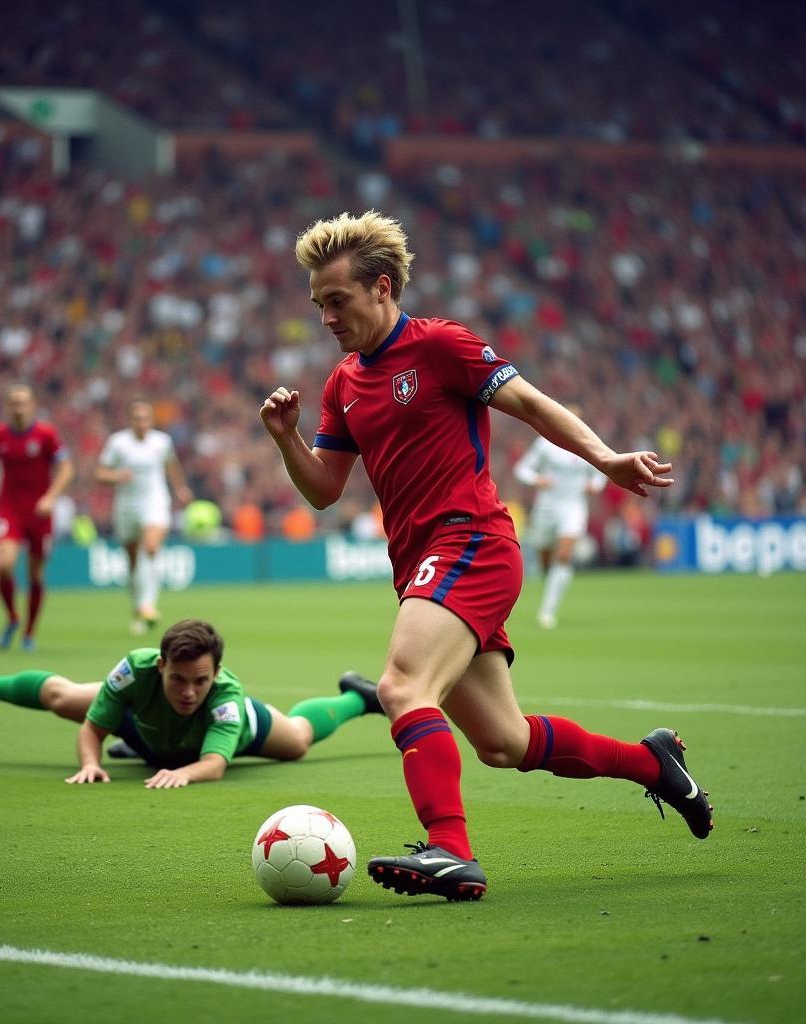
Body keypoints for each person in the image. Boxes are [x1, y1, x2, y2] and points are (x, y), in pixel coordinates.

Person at [260, 210, 713, 903]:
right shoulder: (343, 383)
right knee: (505, 742)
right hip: (420, 563)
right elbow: (323, 490)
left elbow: (530, 404)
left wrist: (604, 459)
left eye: (336, 299)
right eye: (318, 303)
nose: (325, 316)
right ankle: (655, 765)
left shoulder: (441, 345)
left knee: (402, 688)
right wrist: (287, 438)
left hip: (470, 540)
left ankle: (451, 850)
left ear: (382, 288)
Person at [0, 617, 384, 787]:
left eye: (199, 681)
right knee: (62, 696)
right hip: (142, 722)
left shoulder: (225, 698)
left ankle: (357, 697)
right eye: (177, 679)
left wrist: (185, 773)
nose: (188, 692)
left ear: (215, 674)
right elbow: (92, 728)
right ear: (161, 666)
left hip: (221, 738)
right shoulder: (135, 670)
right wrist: (90, 763)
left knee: (297, 741)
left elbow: (215, 765)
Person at [0, 382, 73, 651]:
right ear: (7, 406)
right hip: (10, 509)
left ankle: (29, 632)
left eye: (23, 401)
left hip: (40, 512)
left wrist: (51, 497)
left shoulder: (46, 434)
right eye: (14, 402)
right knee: (4, 564)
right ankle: (12, 617)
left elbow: (67, 469)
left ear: (32, 405)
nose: (18, 407)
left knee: (36, 575)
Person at [94, 400, 194, 634]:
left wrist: (180, 488)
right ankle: (137, 607)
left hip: (155, 502)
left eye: (145, 418)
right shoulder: (118, 443)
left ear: (151, 420)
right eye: (137, 418)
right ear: (131, 420)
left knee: (150, 547)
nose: (141, 422)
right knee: (131, 562)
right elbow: (99, 473)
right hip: (126, 506)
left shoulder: (161, 441)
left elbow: (172, 465)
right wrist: (117, 476)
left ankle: (147, 606)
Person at [513, 407, 606, 629]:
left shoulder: (588, 444)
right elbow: (522, 469)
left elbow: (602, 470)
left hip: (573, 507)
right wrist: (537, 480)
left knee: (563, 555)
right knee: (545, 558)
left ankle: (548, 610)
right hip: (546, 508)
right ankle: (550, 578)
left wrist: (595, 486)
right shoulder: (546, 445)